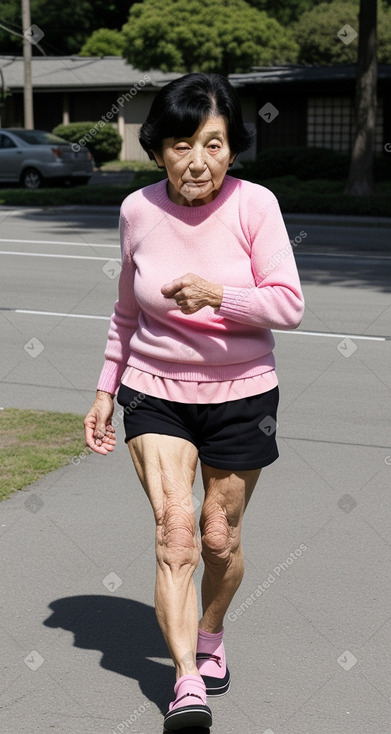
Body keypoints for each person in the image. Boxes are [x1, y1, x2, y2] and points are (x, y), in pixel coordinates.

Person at [84, 72, 305, 731]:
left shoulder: (254, 206)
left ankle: (210, 631)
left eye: (213, 143)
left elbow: (287, 304)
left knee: (218, 536)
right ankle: (185, 682)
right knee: (176, 533)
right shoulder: (136, 212)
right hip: (154, 394)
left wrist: (217, 296)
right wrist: (103, 390)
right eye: (181, 144)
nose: (197, 160)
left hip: (242, 396)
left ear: (232, 148)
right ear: (158, 151)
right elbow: (125, 314)